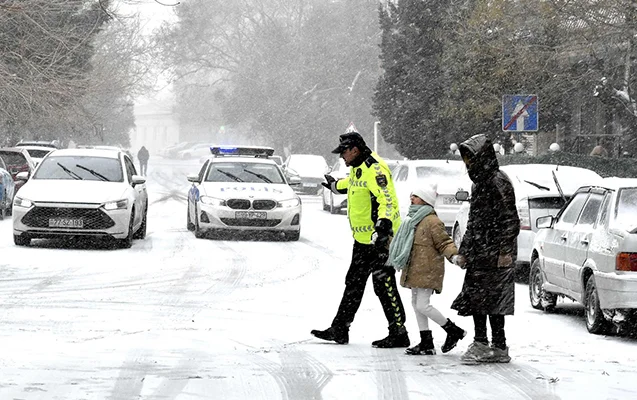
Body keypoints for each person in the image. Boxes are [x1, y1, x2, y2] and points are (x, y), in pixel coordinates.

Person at [311, 131, 409, 348]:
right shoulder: (358, 168)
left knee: (383, 284)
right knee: (353, 284)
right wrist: (335, 186)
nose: (341, 157)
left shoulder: (375, 168)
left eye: (343, 153)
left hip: (379, 240)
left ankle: (399, 331)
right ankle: (340, 329)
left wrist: (383, 227)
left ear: (354, 150)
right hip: (363, 240)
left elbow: (388, 199)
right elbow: (354, 184)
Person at [451, 134, 520, 364]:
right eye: (465, 158)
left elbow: (510, 220)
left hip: (494, 252)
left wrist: (504, 252)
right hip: (481, 252)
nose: (467, 162)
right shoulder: (479, 183)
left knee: (493, 301)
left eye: (470, 157)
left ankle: (494, 345)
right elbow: (474, 220)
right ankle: (485, 343)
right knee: (478, 299)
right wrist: (465, 250)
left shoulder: (497, 182)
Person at [387, 183, 467, 356]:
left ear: (425, 200)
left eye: (415, 196)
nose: (411, 198)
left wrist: (454, 256)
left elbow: (444, 242)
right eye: (411, 195)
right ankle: (426, 342)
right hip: (415, 268)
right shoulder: (411, 220)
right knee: (416, 305)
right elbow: (403, 242)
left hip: (428, 269)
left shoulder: (432, 221)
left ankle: (453, 330)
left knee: (423, 305)